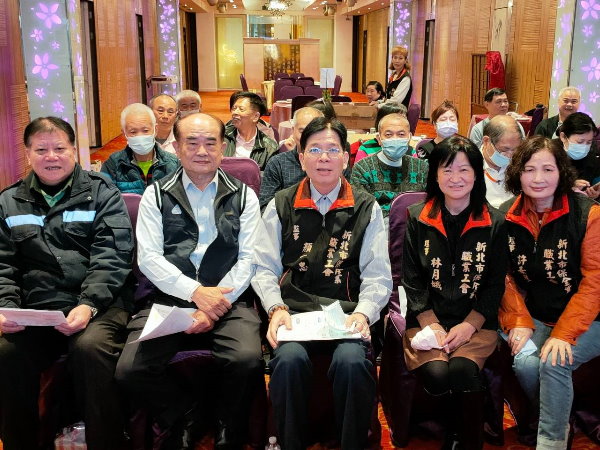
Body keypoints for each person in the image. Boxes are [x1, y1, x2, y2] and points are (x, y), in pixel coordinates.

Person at [115, 113, 263, 450]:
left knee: (246, 360)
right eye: (192, 143)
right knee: (129, 371)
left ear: (223, 148)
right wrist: (194, 292)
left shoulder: (244, 196)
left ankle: (228, 425)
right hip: (168, 297)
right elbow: (149, 259)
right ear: (177, 148)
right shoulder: (156, 195)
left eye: (210, 143)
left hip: (228, 297)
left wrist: (212, 305)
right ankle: (183, 412)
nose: (202, 151)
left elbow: (249, 259)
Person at [252, 117, 392, 450]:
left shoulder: (365, 207)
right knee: (288, 362)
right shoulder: (282, 203)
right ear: (301, 158)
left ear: (346, 157)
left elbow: (377, 274)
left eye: (332, 150)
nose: (324, 158)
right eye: (314, 150)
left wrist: (363, 313)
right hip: (294, 314)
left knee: (352, 363)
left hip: (345, 315)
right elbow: (263, 267)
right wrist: (275, 308)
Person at [0, 117, 134, 450]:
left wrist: (88, 304)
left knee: (90, 349)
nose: (51, 156)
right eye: (41, 150)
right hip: (38, 308)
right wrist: (7, 308)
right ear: (28, 154)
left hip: (99, 304)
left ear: (74, 151)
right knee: (6, 353)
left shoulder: (102, 193)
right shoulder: (9, 201)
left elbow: (112, 256)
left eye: (59, 148)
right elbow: (3, 265)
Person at [402, 136, 507, 450]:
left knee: (462, 370)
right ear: (435, 175)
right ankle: (453, 432)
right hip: (427, 319)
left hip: (475, 321)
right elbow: (412, 278)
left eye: (464, 170)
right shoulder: (417, 216)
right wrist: (431, 323)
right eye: (447, 170)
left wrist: (470, 325)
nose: (456, 178)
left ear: (476, 174)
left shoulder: (494, 222)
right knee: (437, 374)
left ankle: (464, 440)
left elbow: (495, 284)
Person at [499, 136, 600, 450]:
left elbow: (594, 282)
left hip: (590, 320)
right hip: (538, 314)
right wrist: (518, 320)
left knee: (555, 361)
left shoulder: (589, 215)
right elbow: (503, 276)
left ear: (562, 173)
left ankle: (551, 441)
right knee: (526, 364)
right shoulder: (506, 214)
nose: (538, 178)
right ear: (518, 173)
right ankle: (559, 419)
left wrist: (565, 334)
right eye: (529, 169)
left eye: (548, 169)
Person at [351, 113, 428, 221]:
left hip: (414, 226)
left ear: (409, 137)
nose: (395, 139)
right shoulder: (363, 168)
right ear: (379, 138)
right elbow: (361, 210)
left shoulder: (422, 168)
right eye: (388, 135)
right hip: (376, 226)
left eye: (401, 134)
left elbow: (428, 206)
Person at [101, 103, 179, 194]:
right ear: (124, 134)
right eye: (133, 132)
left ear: (155, 130)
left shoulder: (173, 163)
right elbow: (103, 196)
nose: (140, 136)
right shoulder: (113, 164)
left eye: (145, 130)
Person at [259, 106, 324, 210]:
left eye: (314, 131)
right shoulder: (278, 163)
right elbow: (265, 207)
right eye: (302, 131)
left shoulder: (333, 162)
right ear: (293, 131)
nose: (308, 137)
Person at [224, 91, 278, 170]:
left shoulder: (269, 147)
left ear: (255, 116)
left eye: (241, 109)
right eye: (234, 108)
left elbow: (269, 174)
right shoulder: (222, 136)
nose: (235, 112)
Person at [554, 111, 600, 199]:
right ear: (563, 137)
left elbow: (595, 184)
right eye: (580, 142)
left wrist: (595, 194)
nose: (584, 147)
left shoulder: (591, 159)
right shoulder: (549, 154)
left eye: (589, 142)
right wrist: (567, 186)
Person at [480, 115, 523, 208]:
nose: (510, 155)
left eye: (515, 150)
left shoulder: (520, 163)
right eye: (505, 149)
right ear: (486, 141)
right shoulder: (470, 165)